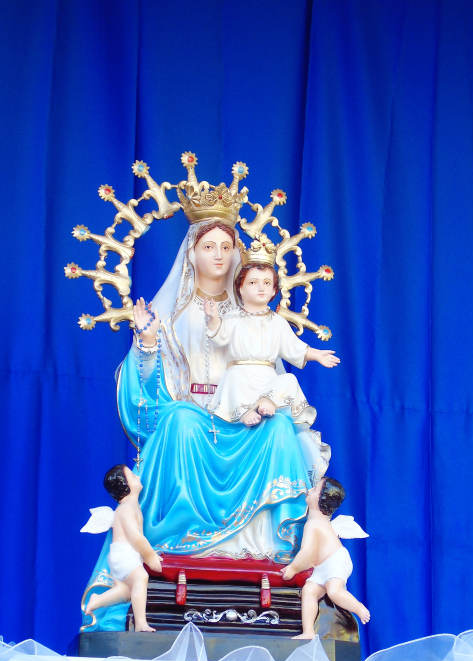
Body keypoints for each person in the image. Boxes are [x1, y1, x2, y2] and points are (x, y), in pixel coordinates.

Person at [82, 217, 330, 632]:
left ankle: (267, 546)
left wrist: (267, 402)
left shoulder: (256, 314)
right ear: (191, 254)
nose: (218, 255)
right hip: (194, 419)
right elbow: (144, 396)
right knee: (179, 420)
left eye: (226, 247)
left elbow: (276, 370)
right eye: (208, 246)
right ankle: (181, 538)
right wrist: (147, 343)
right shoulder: (170, 313)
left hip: (245, 415)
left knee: (280, 429)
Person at [205, 262, 340, 426]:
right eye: (253, 282)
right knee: (234, 377)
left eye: (267, 283)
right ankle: (243, 411)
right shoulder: (232, 318)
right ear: (241, 289)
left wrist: (317, 355)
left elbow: (294, 348)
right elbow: (219, 337)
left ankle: (267, 401)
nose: (261, 288)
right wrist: (213, 319)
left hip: (266, 377)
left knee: (289, 379)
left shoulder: (277, 322)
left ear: (274, 290)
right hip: (240, 373)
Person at [281, 477, 370, 638]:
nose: (309, 490)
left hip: (336, 561)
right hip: (323, 566)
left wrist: (293, 568)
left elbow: (307, 553)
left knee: (334, 591)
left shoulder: (314, 524)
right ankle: (308, 631)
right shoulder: (316, 522)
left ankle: (359, 608)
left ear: (322, 499)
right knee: (309, 590)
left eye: (315, 489)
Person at [81, 465, 162, 632]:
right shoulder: (127, 508)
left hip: (121, 555)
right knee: (141, 577)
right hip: (124, 554)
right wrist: (150, 556)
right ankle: (141, 623)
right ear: (124, 485)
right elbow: (135, 536)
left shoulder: (130, 506)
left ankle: (97, 600)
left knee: (125, 592)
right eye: (132, 476)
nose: (137, 477)